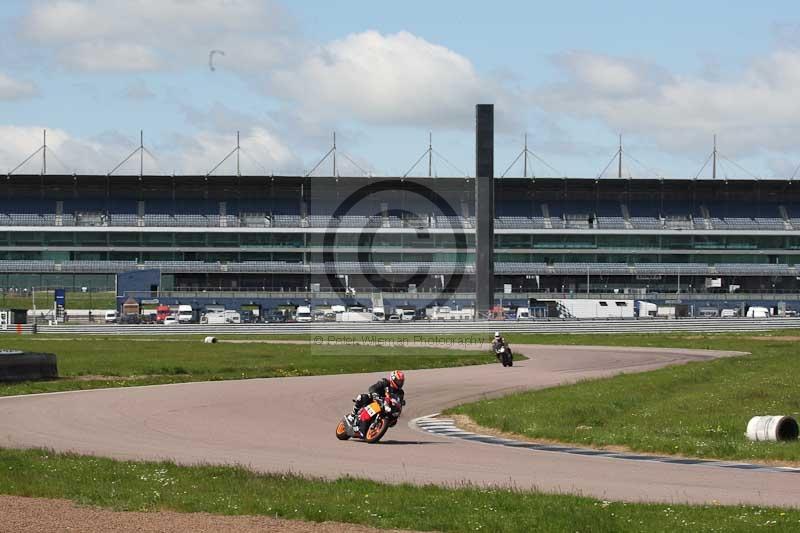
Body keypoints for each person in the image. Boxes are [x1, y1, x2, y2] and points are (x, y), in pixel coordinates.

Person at [349, 370, 405, 435]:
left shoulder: (400, 392)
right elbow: (372, 388)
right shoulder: (385, 382)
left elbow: (399, 402)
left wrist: (399, 406)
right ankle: (352, 415)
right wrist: (375, 394)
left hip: (386, 406)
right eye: (398, 381)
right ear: (393, 379)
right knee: (362, 397)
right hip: (375, 399)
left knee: (394, 421)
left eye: (401, 382)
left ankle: (373, 426)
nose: (400, 383)